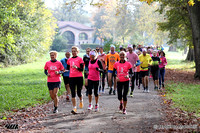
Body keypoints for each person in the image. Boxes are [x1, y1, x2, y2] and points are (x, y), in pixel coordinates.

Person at [67, 46, 84, 114]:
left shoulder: (80, 59)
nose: (73, 52)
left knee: (78, 92)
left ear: (77, 52)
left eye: (75, 51)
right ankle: (74, 108)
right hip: (71, 77)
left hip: (79, 77)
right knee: (73, 92)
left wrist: (76, 67)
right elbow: (68, 68)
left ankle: (81, 100)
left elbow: (82, 69)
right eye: (72, 51)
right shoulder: (69, 60)